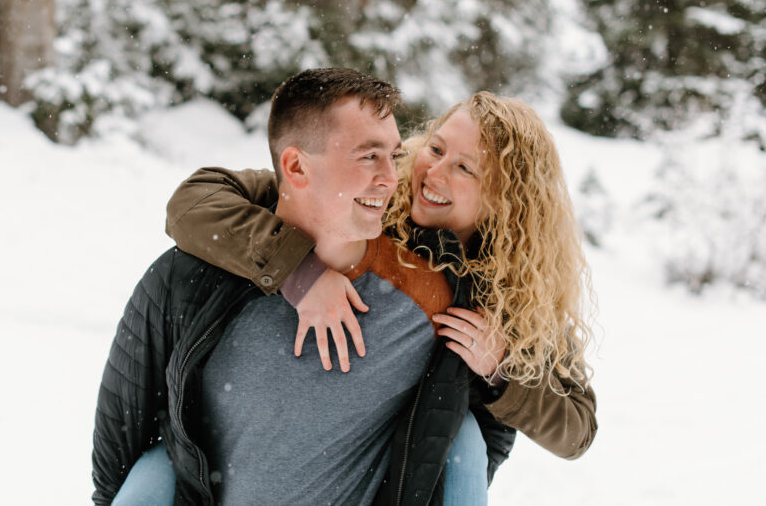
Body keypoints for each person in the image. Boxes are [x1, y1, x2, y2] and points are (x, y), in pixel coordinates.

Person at [92, 69, 515, 506]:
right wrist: (299, 273)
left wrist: (503, 372)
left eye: (394, 154)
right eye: (369, 156)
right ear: (296, 166)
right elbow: (123, 440)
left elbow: (476, 433)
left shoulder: (432, 293)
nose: (394, 177)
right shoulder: (191, 279)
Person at [164, 91, 598, 475]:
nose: (434, 173)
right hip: (287, 444)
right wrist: (300, 272)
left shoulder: (514, 291)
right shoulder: (367, 196)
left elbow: (577, 429)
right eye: (436, 148)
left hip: (406, 468)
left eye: (465, 168)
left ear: (505, 198)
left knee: (467, 438)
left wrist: (502, 370)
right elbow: (197, 203)